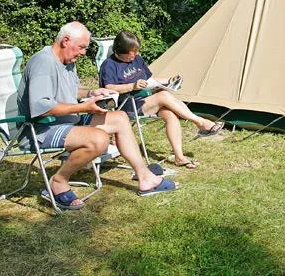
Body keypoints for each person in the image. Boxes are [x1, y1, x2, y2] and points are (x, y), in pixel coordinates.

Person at [18, 22, 177, 210]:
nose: (84, 52)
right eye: (82, 47)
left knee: (120, 118)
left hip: (66, 121)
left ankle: (145, 177)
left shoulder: (67, 61)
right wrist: (85, 108)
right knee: (99, 140)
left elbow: (70, 91)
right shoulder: (43, 62)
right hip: (40, 128)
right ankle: (58, 181)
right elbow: (41, 106)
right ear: (65, 41)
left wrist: (92, 93)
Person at [99, 30, 224, 169]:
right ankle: (201, 123)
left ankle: (179, 157)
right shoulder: (109, 65)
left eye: (136, 51)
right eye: (132, 51)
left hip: (146, 100)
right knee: (163, 96)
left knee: (170, 114)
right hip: (126, 105)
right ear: (121, 50)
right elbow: (108, 88)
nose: (135, 54)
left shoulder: (137, 60)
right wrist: (132, 86)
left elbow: (149, 80)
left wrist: (168, 81)